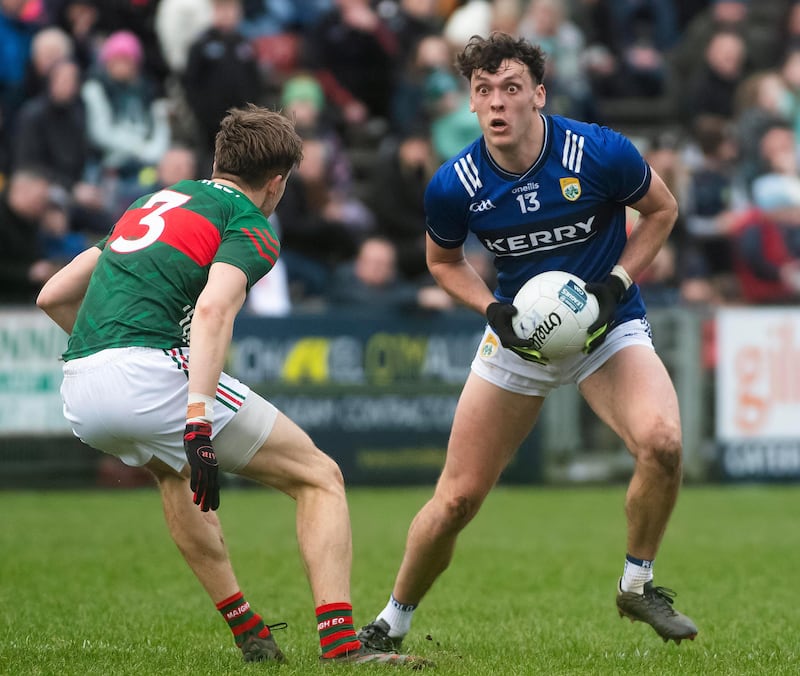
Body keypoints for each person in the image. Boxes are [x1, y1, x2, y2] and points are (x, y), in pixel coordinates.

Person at [36, 104, 427, 667]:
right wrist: (196, 415)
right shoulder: (249, 223)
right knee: (319, 477)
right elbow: (216, 308)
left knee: (174, 476)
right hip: (149, 375)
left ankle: (250, 632)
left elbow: (53, 294)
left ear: (217, 159)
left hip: (80, 383)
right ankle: (343, 648)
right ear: (277, 182)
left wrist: (112, 358)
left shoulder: (155, 201)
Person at [356, 32, 698, 653]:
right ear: (470, 102)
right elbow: (443, 261)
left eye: (510, 88)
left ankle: (637, 583)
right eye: (483, 91)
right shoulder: (454, 184)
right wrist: (492, 309)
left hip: (602, 328)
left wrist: (617, 285)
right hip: (520, 338)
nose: (496, 103)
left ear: (538, 95)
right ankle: (389, 624)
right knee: (456, 499)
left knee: (664, 443)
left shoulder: (598, 152)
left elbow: (663, 211)